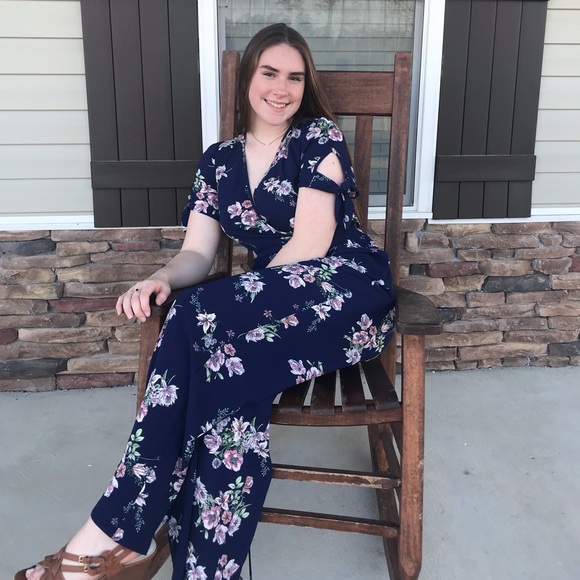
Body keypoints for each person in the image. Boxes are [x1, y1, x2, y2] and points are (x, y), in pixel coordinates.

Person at [17, 22, 396, 580]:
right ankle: (201, 569)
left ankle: (112, 535)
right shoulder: (217, 162)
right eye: (269, 73)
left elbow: (312, 246)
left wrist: (234, 309)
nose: (281, 88)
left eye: (295, 77)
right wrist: (162, 277)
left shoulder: (318, 136)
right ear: (246, 80)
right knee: (224, 384)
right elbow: (197, 252)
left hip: (345, 291)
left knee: (202, 317)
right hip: (273, 306)